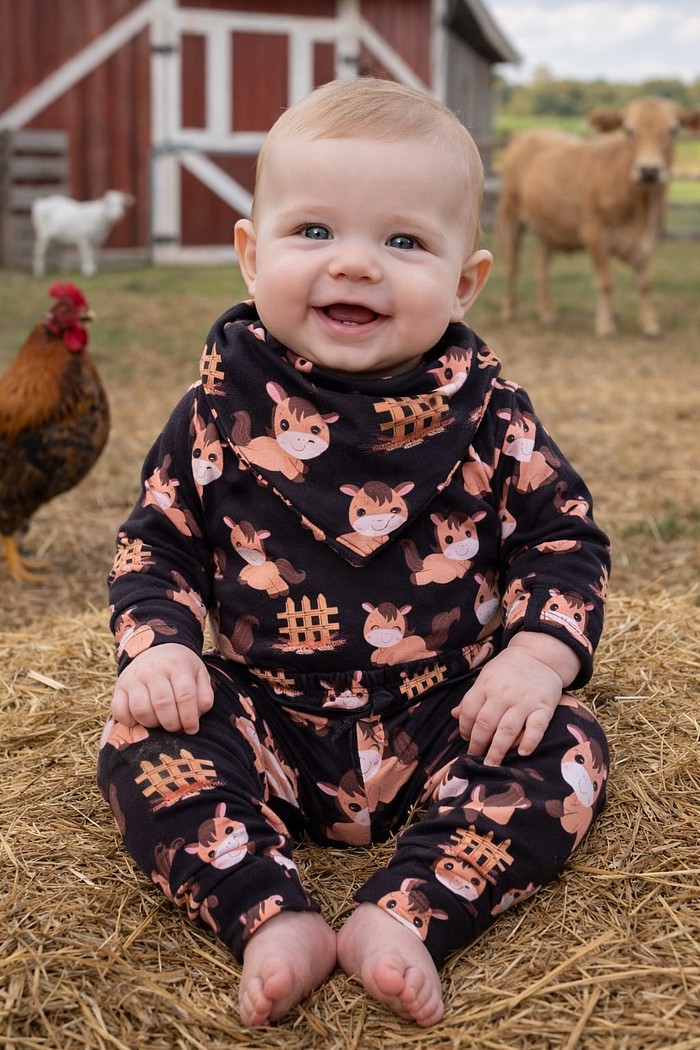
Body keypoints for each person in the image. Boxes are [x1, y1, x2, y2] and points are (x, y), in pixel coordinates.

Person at [97, 77, 610, 1029]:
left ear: (465, 280)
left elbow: (564, 536)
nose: (358, 266)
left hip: (451, 714)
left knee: (568, 747)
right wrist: (160, 646)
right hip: (271, 721)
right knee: (140, 741)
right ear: (252, 256)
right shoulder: (216, 413)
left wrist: (537, 657)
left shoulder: (494, 416)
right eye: (316, 232)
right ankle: (266, 907)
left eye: (404, 241)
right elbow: (156, 542)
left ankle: (411, 910)